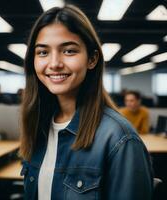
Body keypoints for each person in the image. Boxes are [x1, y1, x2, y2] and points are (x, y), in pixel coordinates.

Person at [19, 5, 153, 200]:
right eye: (42, 52)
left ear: (92, 59)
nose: (54, 63)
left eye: (69, 51)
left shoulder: (119, 139)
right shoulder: (38, 125)